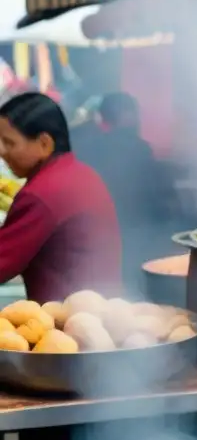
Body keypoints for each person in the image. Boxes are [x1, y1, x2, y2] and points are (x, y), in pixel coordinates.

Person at [0, 92, 121, 303]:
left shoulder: (42, 193)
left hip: (65, 323)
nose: (2, 151)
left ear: (44, 144)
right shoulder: (81, 173)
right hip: (104, 309)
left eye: (9, 143)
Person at [75, 93, 168, 295]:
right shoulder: (141, 149)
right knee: (132, 290)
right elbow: (156, 199)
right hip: (134, 235)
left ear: (102, 118)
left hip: (96, 238)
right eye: (134, 113)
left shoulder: (85, 147)